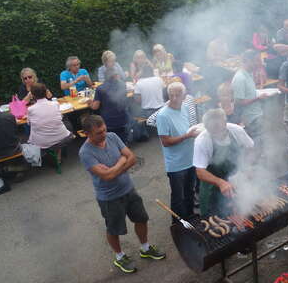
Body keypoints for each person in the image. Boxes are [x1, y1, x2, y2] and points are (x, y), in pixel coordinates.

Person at [79, 115, 165, 274]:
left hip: (128, 189)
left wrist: (115, 167)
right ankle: (119, 257)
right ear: (87, 134)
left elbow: (132, 158)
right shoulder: (85, 153)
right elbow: (107, 176)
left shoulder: (112, 136)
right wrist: (121, 161)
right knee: (114, 229)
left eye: (104, 129)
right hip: (109, 198)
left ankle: (145, 248)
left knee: (141, 218)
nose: (103, 134)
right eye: (98, 133)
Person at [194, 109, 254, 217]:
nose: (216, 133)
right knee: (212, 217)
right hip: (212, 186)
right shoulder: (202, 140)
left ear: (225, 123)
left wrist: (246, 167)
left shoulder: (236, 131)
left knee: (239, 211)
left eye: (218, 128)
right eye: (212, 130)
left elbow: (250, 148)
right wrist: (220, 182)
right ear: (207, 128)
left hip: (236, 179)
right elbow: (200, 171)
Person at [156, 82, 200, 222]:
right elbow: (166, 142)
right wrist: (187, 136)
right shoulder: (162, 115)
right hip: (175, 164)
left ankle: (190, 216)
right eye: (171, 95)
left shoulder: (185, 107)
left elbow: (187, 127)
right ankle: (178, 224)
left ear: (184, 96)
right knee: (177, 197)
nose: (174, 98)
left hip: (190, 159)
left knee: (190, 192)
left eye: (177, 95)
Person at [232, 50, 267, 159]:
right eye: (256, 61)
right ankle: (252, 166)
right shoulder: (240, 78)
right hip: (250, 117)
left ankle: (258, 162)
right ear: (246, 61)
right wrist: (258, 98)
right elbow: (238, 102)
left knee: (260, 140)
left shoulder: (249, 73)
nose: (259, 63)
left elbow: (249, 92)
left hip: (256, 113)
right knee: (253, 143)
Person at [27, 83, 74, 154]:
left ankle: (53, 152)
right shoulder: (55, 104)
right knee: (64, 122)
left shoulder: (30, 109)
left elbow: (29, 123)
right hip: (62, 136)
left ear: (32, 95)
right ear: (46, 92)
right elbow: (59, 117)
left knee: (34, 129)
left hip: (42, 143)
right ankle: (59, 152)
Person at [90, 67, 129, 143]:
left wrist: (89, 103)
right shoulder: (122, 84)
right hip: (123, 120)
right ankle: (124, 144)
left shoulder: (100, 88)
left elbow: (95, 107)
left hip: (108, 122)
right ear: (115, 76)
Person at [133, 65, 165, 141]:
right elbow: (164, 93)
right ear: (152, 72)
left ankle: (143, 134)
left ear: (142, 72)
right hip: (161, 109)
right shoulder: (159, 79)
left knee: (133, 112)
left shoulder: (139, 83)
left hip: (147, 112)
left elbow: (138, 101)